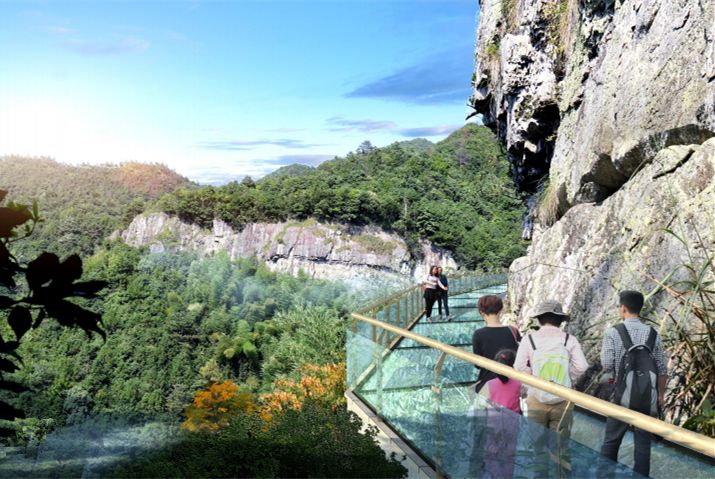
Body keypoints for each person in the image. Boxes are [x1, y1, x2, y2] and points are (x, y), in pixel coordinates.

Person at [599, 291, 669, 478]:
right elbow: (662, 369)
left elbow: (607, 364)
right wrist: (660, 396)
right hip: (647, 399)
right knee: (643, 447)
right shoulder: (653, 335)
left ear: (623, 308)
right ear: (640, 308)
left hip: (620, 397)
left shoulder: (613, 332)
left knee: (611, 442)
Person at [514, 300, 588, 475]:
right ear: (560, 320)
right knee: (561, 447)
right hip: (563, 401)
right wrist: (568, 378)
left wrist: (532, 378)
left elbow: (518, 367)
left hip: (536, 399)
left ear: (539, 319)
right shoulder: (569, 339)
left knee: (539, 447)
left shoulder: (529, 339)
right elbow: (582, 366)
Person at [472, 295, 521, 393]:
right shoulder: (513, 331)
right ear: (500, 310)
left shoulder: (478, 334)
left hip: (487, 385)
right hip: (510, 383)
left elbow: (477, 364)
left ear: (482, 312)